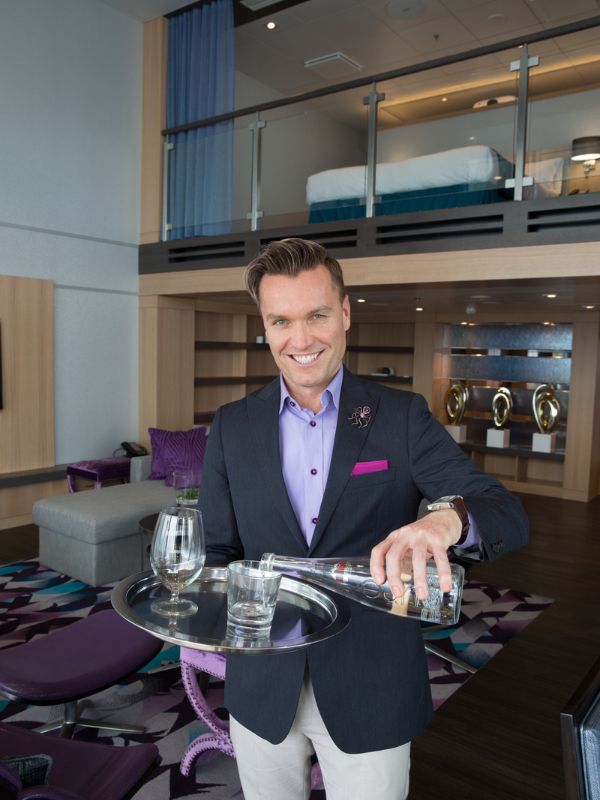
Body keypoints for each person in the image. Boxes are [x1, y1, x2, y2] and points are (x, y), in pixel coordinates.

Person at [200, 237, 528, 800]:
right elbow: (217, 554)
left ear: (346, 313)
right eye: (281, 321)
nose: (300, 340)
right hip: (261, 684)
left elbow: (505, 511)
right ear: (265, 325)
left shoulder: (399, 418)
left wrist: (443, 521)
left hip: (368, 681)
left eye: (317, 316)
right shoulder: (231, 426)